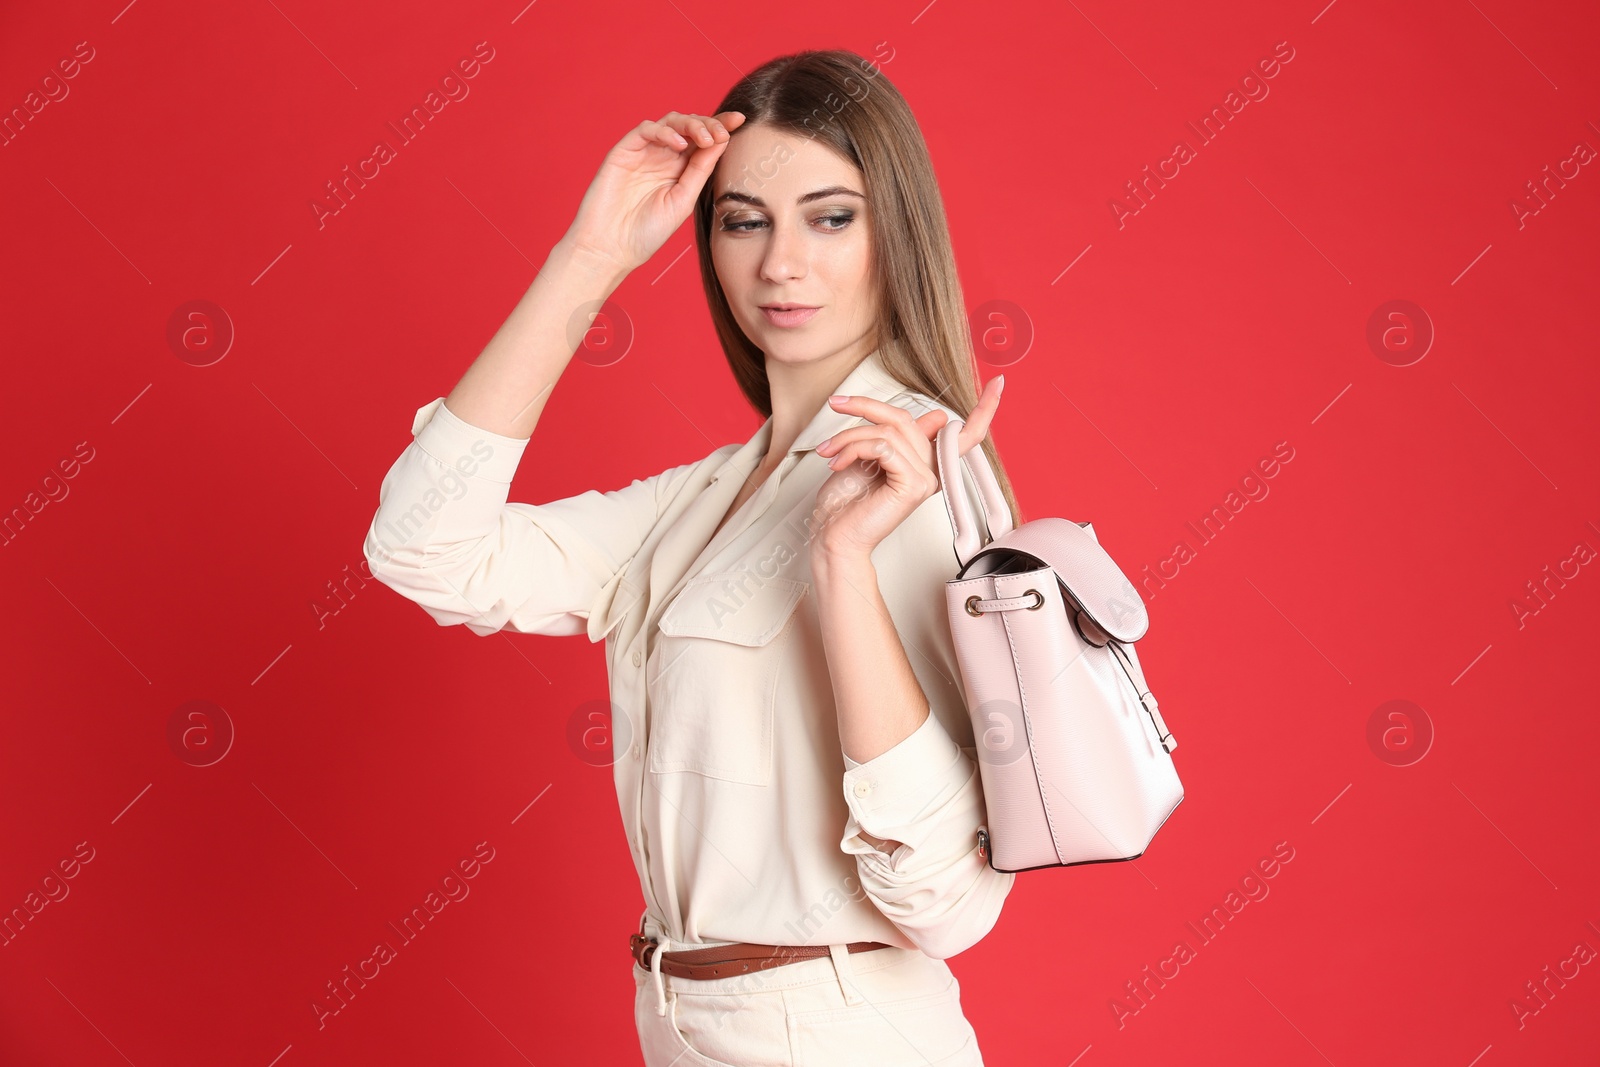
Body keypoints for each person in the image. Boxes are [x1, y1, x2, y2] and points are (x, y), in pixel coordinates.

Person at [362, 48, 1026, 1067]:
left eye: (830, 214)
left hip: (838, 1029)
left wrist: (842, 564)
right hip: (683, 1023)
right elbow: (425, 546)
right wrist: (591, 258)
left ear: (897, 229)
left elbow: (948, 898)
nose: (780, 262)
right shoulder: (706, 499)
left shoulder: (915, 478)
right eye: (742, 218)